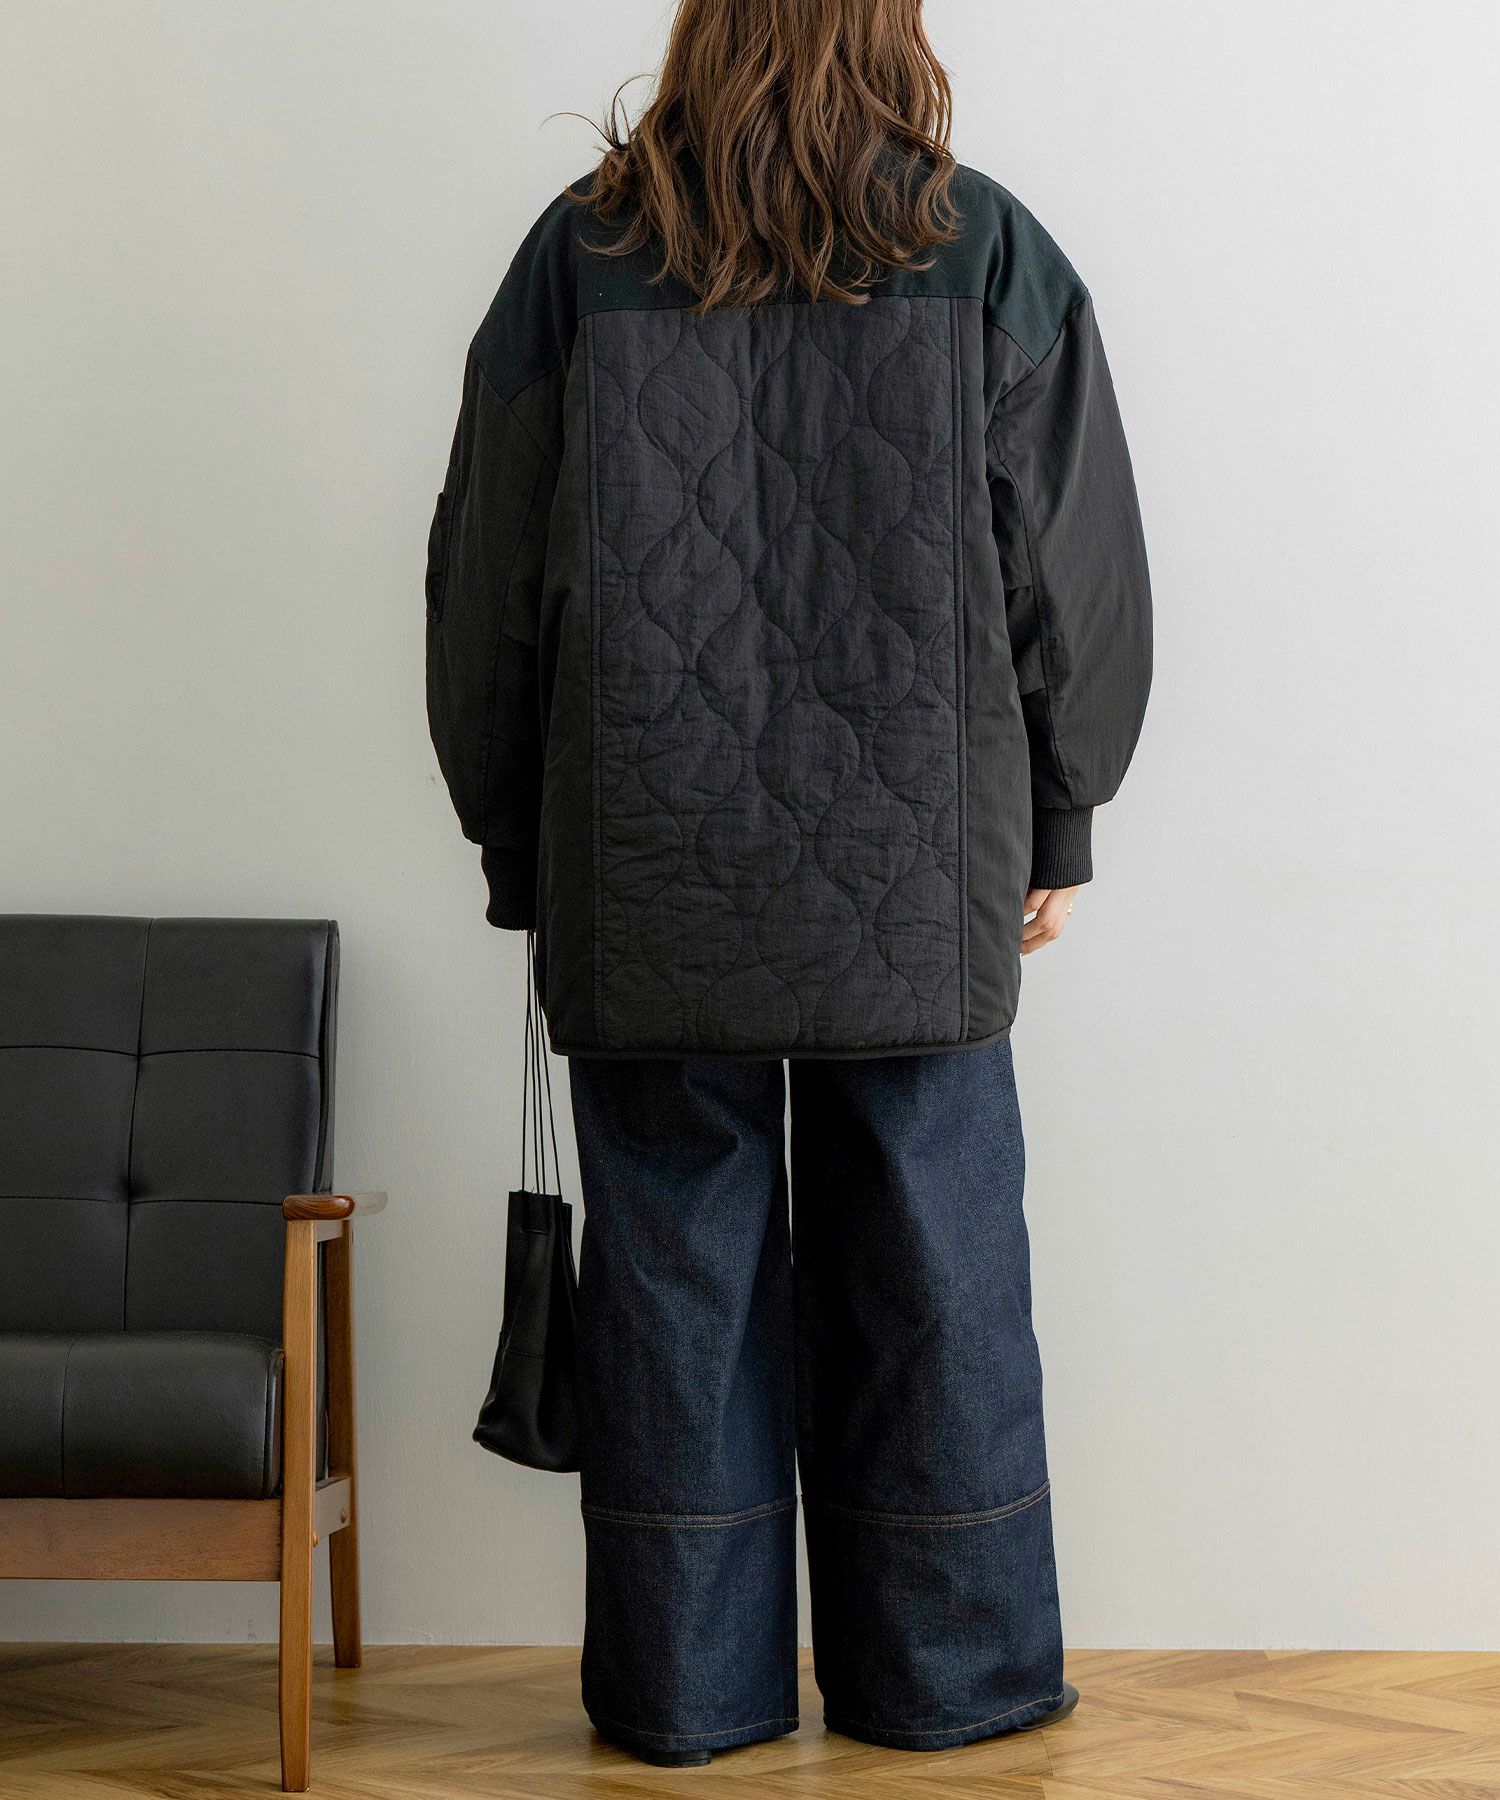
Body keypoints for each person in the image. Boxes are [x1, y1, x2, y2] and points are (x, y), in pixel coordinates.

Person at [427, 0, 1151, 1767]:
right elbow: (1074, 570)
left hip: (645, 856)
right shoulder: (983, 248)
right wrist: (1060, 817)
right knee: (936, 1276)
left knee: (677, 1283)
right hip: (916, 868)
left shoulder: (580, 257)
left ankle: (692, 1694)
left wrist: (518, 843)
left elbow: (483, 584)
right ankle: (950, 1678)